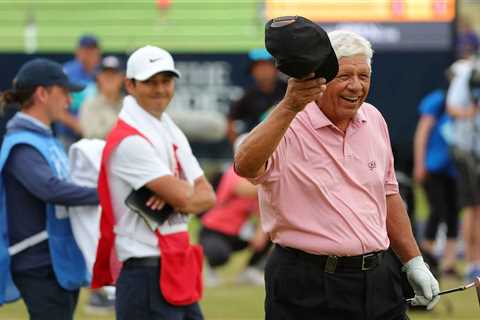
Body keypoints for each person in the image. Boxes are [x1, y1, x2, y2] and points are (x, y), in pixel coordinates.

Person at [235, 29, 440, 319]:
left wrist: (414, 262)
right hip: (307, 284)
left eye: (363, 76)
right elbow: (244, 165)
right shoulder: (286, 122)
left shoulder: (374, 119)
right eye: (344, 76)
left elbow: (387, 195)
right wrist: (289, 106)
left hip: (378, 279)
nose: (355, 86)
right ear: (320, 79)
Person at [91, 45, 216, 320]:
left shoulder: (168, 128)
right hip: (145, 273)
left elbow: (207, 196)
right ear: (130, 85)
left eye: (166, 81)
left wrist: (178, 193)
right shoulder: (131, 141)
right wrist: (182, 194)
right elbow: (188, 197)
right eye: (150, 82)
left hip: (173, 266)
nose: (160, 89)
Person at [0, 58, 99, 319]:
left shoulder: (45, 140)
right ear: (42, 94)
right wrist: (104, 195)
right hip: (39, 264)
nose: (68, 100)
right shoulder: (22, 145)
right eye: (63, 92)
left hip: (56, 261)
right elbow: (51, 189)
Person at [200, 135, 270, 287]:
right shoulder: (233, 171)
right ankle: (209, 270)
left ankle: (250, 271)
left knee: (270, 232)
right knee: (219, 254)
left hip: (238, 232)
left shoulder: (260, 178)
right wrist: (276, 180)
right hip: (214, 230)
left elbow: (264, 213)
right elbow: (244, 189)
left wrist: (260, 232)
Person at [413, 77, 459, 277]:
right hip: (433, 166)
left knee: (454, 214)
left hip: (455, 168)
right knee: (437, 211)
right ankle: (428, 258)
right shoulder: (437, 100)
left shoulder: (466, 104)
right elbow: (422, 134)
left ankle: (449, 263)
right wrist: (420, 164)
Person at [446, 53, 480, 281]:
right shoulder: (468, 73)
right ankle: (472, 262)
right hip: (468, 151)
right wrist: (473, 112)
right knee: (474, 207)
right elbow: (452, 108)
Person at [226, 48, 286, 143]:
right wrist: (240, 146)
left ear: (276, 69)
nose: (263, 71)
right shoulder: (248, 96)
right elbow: (230, 121)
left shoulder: (289, 90)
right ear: (252, 72)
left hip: (288, 142)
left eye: (267, 66)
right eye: (259, 67)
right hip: (260, 146)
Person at [56, 34, 101, 147]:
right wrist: (78, 125)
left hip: (95, 134)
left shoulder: (102, 73)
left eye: (92, 50)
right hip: (69, 135)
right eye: (86, 50)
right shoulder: (66, 72)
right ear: (78, 52)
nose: (89, 55)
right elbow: (56, 107)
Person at [79, 55, 124, 139]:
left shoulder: (129, 103)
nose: (110, 78)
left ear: (122, 78)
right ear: (99, 77)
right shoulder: (89, 104)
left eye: (114, 74)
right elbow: (91, 135)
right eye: (106, 74)